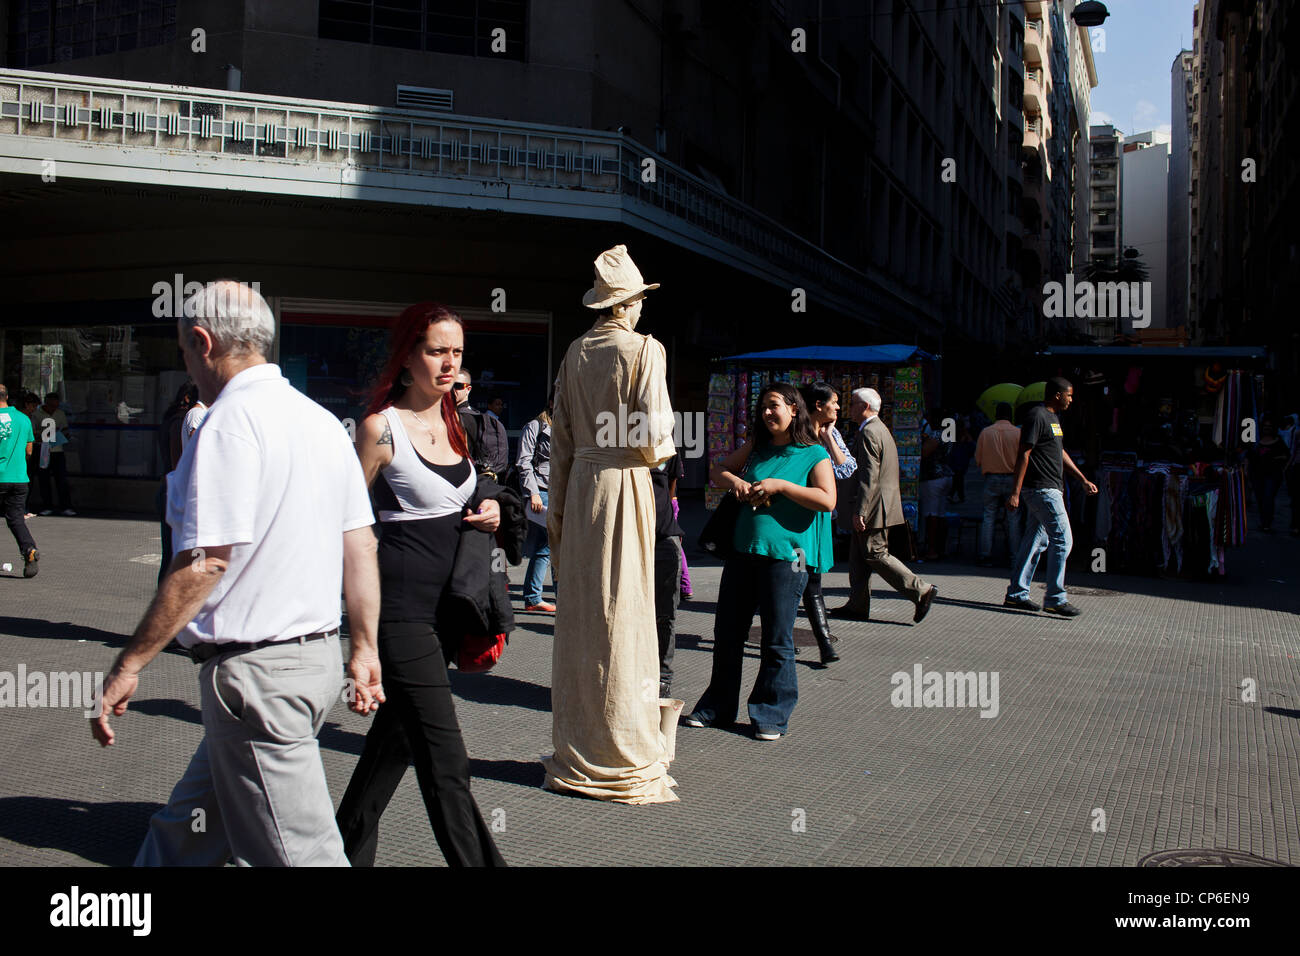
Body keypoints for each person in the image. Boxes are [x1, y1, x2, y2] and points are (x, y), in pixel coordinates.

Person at [94, 280, 383, 867]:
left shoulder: (225, 424)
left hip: (256, 678)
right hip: (309, 663)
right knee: (189, 830)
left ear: (203, 341)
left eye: (182, 349)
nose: (186, 362)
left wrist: (130, 663)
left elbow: (207, 562)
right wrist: (363, 647)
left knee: (303, 856)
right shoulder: (325, 423)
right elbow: (360, 545)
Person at [334, 301, 506, 867]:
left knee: (396, 743)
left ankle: (341, 849)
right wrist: (353, 637)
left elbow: (472, 496)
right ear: (408, 357)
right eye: (437, 350)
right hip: (400, 613)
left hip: (448, 611)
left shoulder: (459, 424)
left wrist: (491, 510)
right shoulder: (380, 428)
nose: (449, 362)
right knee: (446, 759)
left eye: (457, 352)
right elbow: (341, 521)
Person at [543, 243, 679, 803]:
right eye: (641, 299)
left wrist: (558, 508)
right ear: (629, 304)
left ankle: (583, 741)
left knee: (584, 616)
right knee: (625, 614)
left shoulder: (574, 352)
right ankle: (622, 744)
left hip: (582, 489)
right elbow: (654, 437)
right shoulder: (647, 351)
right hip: (625, 485)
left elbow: (562, 441)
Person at [683, 382, 835, 740]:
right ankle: (716, 707)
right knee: (727, 633)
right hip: (742, 551)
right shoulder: (756, 446)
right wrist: (735, 481)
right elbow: (719, 470)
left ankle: (771, 714)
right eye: (763, 407)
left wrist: (780, 486)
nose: (767, 413)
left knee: (777, 637)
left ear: (794, 409)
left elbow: (828, 500)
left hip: (789, 557)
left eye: (774, 406)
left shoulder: (814, 453)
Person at [834, 388, 938, 623]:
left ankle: (921, 590)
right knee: (858, 557)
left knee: (875, 553)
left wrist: (860, 510)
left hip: (873, 507)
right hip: (878, 505)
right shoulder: (878, 429)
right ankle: (857, 605)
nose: (849, 407)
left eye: (853, 403)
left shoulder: (870, 432)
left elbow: (869, 476)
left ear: (865, 407)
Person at [1004, 376, 1098, 618]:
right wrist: (1015, 492)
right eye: (1069, 395)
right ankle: (1056, 598)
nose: (1071, 399)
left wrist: (1082, 479)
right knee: (1063, 540)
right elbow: (1024, 454)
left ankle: (1016, 594)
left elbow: (1060, 451)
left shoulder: (1054, 419)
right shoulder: (1036, 415)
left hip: (1048, 488)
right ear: (1057, 395)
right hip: (1041, 490)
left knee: (1035, 541)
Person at [798, 381, 857, 665]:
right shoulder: (795, 431)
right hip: (796, 517)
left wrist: (830, 436)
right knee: (795, 577)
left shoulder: (828, 433)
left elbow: (846, 468)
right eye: (834, 402)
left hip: (821, 518)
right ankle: (804, 640)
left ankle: (823, 642)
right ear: (819, 405)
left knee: (813, 578)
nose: (838, 407)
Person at [652, 450, 685, 697]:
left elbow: (672, 484)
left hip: (664, 537)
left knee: (665, 614)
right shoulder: (620, 440)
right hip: (629, 538)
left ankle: (663, 677)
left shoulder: (668, 445)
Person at [974, 402, 1024, 567]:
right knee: (1013, 518)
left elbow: (978, 460)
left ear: (996, 414)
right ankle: (1015, 557)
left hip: (992, 478)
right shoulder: (1018, 433)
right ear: (1010, 416)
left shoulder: (985, 433)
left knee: (989, 516)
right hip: (1012, 478)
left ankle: (985, 555)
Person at [518, 397, 556, 613]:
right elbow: (523, 461)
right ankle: (534, 596)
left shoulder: (567, 426)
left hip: (561, 491)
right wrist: (533, 493)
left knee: (549, 545)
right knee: (549, 544)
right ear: (550, 402)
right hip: (542, 490)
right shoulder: (535, 426)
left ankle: (533, 596)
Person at [0, 384, 39, 577]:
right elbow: (29, 451)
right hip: (19, 478)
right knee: (16, 519)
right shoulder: (23, 419)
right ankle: (29, 550)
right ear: (6, 397)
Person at [919, 409, 953, 560]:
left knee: (931, 514)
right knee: (940, 513)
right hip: (945, 475)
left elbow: (924, 453)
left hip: (933, 477)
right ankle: (941, 548)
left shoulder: (935, 435)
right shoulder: (949, 435)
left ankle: (932, 550)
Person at [1246, 416, 1289, 533]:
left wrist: (1277, 461)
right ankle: (1264, 521)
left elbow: (1286, 456)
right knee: (1260, 498)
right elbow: (1249, 457)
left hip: (1272, 475)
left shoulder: (1278, 441)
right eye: (1265, 426)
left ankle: (1267, 523)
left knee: (1268, 497)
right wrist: (1247, 472)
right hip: (1257, 474)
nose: (1267, 428)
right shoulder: (1256, 441)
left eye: (1269, 426)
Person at [34, 391, 74, 516]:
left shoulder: (60, 414)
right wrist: (42, 436)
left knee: (61, 479)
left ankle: (65, 506)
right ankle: (47, 505)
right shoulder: (37, 414)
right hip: (44, 449)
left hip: (57, 450)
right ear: (46, 403)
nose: (53, 408)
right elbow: (33, 432)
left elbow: (65, 428)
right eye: (51, 405)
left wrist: (63, 435)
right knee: (44, 479)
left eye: (55, 405)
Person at [947, 415, 976, 504]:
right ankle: (956, 495)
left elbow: (972, 448)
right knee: (958, 478)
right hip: (958, 461)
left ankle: (954, 495)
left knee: (958, 477)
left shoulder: (963, 438)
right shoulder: (957, 437)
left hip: (959, 461)